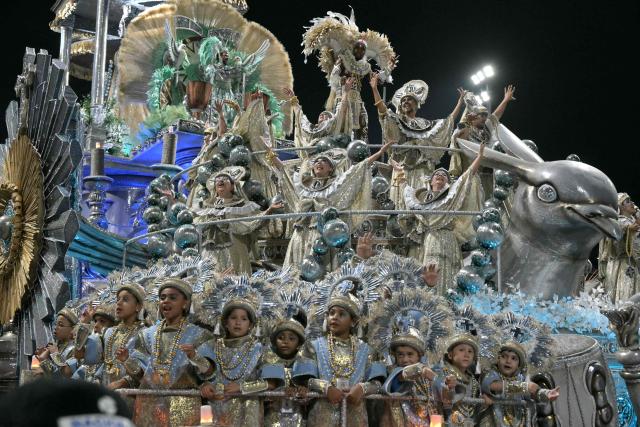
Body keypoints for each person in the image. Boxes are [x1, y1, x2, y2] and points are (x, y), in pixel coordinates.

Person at [262, 118, 396, 270]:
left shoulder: (335, 186)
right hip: (300, 235)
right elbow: (285, 173)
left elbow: (357, 170)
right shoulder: (303, 186)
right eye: (317, 161)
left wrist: (380, 152)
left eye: (324, 161)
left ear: (331, 169)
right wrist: (270, 153)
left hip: (321, 238)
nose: (319, 162)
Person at [119, 278, 214, 427]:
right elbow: (140, 376)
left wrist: (195, 357)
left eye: (172, 297)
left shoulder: (200, 335)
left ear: (186, 303)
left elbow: (210, 372)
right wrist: (127, 361)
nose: (165, 301)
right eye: (162, 298)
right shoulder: (146, 335)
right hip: (148, 406)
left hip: (184, 406)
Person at [395, 143, 486, 294]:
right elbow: (407, 192)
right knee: (431, 270)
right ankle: (433, 305)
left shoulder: (451, 198)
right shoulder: (421, 200)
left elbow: (466, 177)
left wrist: (479, 157)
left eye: (444, 176)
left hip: (449, 238)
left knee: (451, 271)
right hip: (431, 239)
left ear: (447, 183)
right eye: (437, 174)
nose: (440, 176)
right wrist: (400, 174)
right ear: (431, 181)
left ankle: (453, 307)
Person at [371, 74, 466, 209]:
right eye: (403, 100)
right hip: (402, 170)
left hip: (423, 170)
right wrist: (375, 89)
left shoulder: (425, 124)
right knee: (401, 204)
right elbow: (383, 112)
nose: (406, 102)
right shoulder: (397, 121)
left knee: (422, 200)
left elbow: (446, 123)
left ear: (417, 104)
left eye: (410, 99)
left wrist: (460, 103)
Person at [296, 291, 386, 427]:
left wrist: (363, 388)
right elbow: (304, 379)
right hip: (322, 415)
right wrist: (325, 387)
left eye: (341, 314)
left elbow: (378, 383)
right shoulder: (313, 346)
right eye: (332, 313)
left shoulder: (366, 350)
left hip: (355, 416)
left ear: (353, 321)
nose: (335, 317)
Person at [194, 167, 283, 274]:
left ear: (232, 186)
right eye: (218, 179)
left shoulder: (243, 206)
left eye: (225, 179)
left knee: (237, 279)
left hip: (235, 249)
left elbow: (253, 221)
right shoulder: (207, 207)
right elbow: (199, 226)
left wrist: (269, 210)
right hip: (213, 252)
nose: (221, 180)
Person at [199, 298, 269, 426]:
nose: (238, 323)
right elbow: (199, 377)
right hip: (217, 407)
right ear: (225, 322)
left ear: (251, 325)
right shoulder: (210, 347)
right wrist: (203, 385)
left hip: (247, 409)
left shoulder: (260, 350)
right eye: (233, 318)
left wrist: (242, 387)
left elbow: (271, 383)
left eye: (244, 319)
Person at [479, 342, 560, 427]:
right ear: (498, 359)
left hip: (518, 422)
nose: (508, 361)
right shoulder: (491, 374)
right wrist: (523, 387)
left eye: (514, 358)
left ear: (519, 365)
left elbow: (533, 391)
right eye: (504, 356)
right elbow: (493, 386)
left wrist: (546, 394)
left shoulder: (521, 379)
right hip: (493, 421)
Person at [449, 86, 516, 179]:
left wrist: (506, 100)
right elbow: (460, 141)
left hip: (489, 176)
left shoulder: (486, 130)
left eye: (486, 115)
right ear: (473, 117)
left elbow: (495, 115)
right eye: (482, 115)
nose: (485, 118)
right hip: (471, 177)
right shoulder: (464, 129)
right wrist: (467, 122)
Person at [433, 334, 483, 427]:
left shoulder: (473, 381)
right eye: (461, 350)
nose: (466, 354)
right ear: (450, 355)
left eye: (470, 351)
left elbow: (476, 404)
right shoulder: (443, 373)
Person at [599, 193, 640, 302]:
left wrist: (637, 215)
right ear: (620, 207)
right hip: (621, 266)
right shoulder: (616, 222)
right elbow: (615, 235)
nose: (632, 203)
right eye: (627, 201)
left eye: (631, 201)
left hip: (633, 265)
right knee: (624, 296)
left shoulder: (632, 221)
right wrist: (627, 229)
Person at [37, 308, 78, 378]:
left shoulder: (74, 349)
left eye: (61, 325)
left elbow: (64, 376)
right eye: (56, 324)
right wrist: (44, 359)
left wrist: (55, 355)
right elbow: (52, 374)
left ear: (73, 329)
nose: (56, 328)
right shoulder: (60, 346)